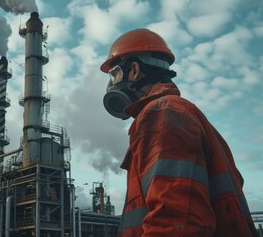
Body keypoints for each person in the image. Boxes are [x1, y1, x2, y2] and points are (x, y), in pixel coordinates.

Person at [100, 28, 258, 237]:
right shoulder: (184, 113)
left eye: (115, 74)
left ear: (135, 70)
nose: (112, 85)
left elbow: (176, 223)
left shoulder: (161, 114)